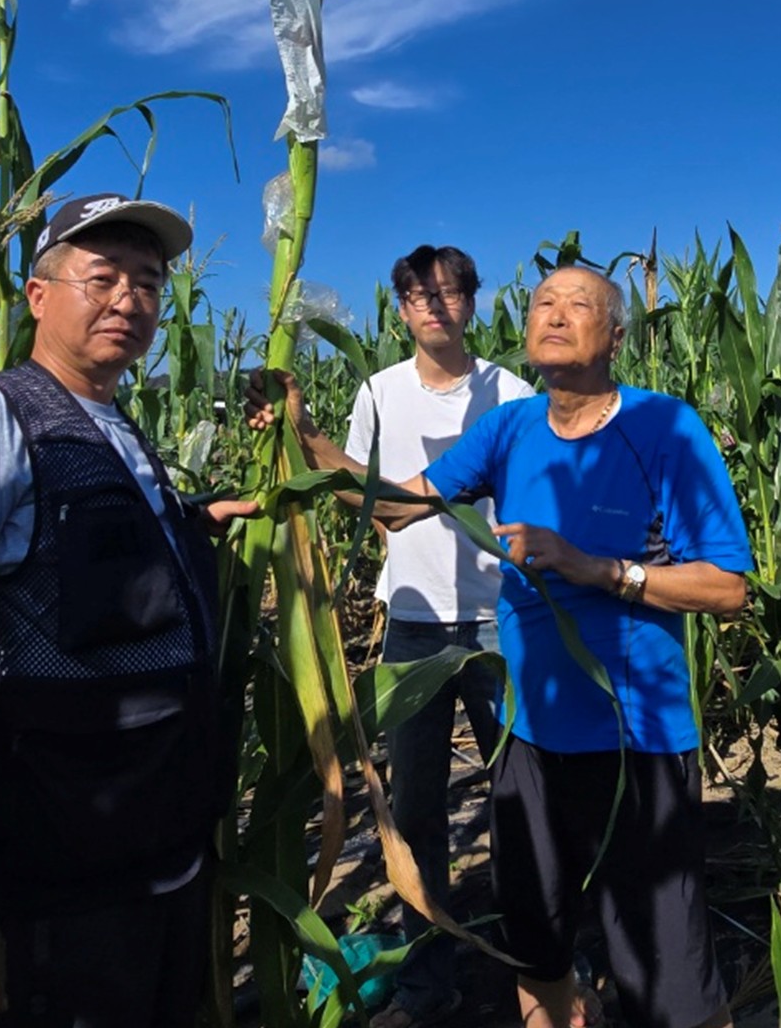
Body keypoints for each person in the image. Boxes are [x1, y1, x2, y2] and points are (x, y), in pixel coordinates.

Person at [253, 265, 752, 1028]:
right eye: (543, 302)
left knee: (664, 974)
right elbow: (396, 505)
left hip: (637, 743)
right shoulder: (509, 430)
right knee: (535, 941)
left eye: (578, 304)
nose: (554, 313)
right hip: (530, 742)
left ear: (616, 337)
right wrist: (305, 432)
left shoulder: (666, 429)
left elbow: (727, 588)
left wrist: (601, 570)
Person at [0, 193, 258, 1028]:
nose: (129, 299)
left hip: (159, 867)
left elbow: (84, 560)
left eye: (149, 282)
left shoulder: (119, 427)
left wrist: (198, 524)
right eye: (104, 276)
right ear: (37, 295)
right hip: (57, 893)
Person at [345, 246, 535, 1028]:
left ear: (472, 304)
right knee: (417, 814)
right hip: (415, 625)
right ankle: (429, 982)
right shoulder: (378, 395)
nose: (434, 305)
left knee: (524, 803)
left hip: (499, 623)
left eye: (450, 292)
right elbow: (362, 500)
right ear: (400, 309)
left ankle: (544, 969)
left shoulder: (510, 393)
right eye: (418, 295)